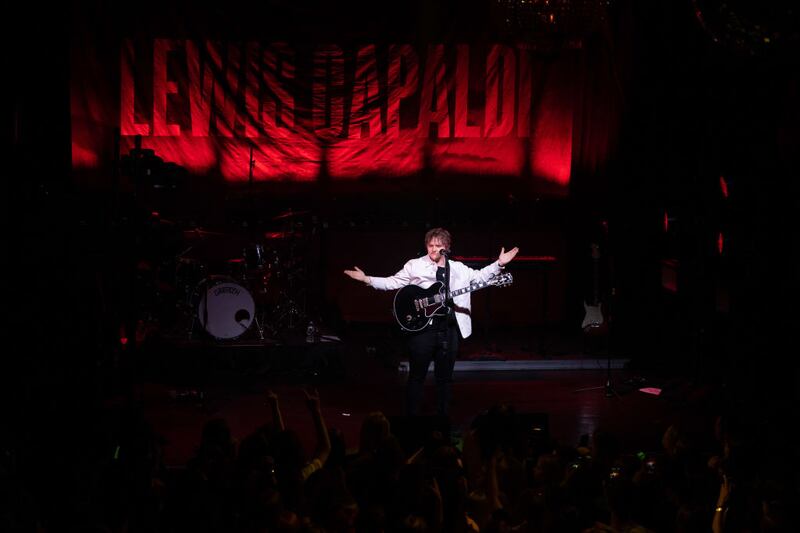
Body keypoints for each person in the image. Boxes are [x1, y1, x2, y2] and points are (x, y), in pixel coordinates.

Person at [344, 228, 519, 416]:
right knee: (417, 377)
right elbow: (392, 282)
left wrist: (499, 263)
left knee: (444, 379)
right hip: (422, 330)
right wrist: (367, 279)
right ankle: (412, 419)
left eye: (438, 246)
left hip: (449, 329)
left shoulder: (457, 269)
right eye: (430, 245)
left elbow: (480, 277)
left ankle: (442, 421)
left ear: (446, 247)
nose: (433, 249)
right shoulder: (415, 265)